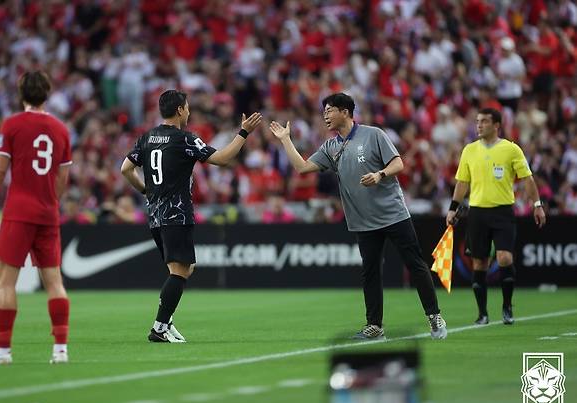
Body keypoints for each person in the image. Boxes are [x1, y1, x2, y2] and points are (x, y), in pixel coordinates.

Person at [270, 92, 447, 340]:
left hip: (394, 214)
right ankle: (374, 325)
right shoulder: (331, 146)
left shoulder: (373, 134)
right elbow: (302, 167)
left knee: (415, 265)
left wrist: (379, 175)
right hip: (363, 221)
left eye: (330, 110)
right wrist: (286, 140)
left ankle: (434, 315)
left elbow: (398, 164)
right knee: (370, 272)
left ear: (345, 112)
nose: (325, 116)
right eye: (324, 112)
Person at [120, 90, 262, 343]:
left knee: (184, 268)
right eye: (186, 107)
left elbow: (126, 169)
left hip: (155, 215)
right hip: (176, 214)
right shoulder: (184, 139)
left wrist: (144, 189)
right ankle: (160, 327)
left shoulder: (147, 137)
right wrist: (243, 133)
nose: (188, 111)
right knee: (180, 271)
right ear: (179, 111)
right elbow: (221, 159)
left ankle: (167, 322)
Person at [0, 71, 72, 365]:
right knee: (54, 282)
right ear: (48, 93)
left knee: (5, 283)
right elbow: (63, 176)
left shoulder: (12, 125)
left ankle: (2, 351)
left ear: (21, 94)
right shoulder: (61, 129)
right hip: (47, 212)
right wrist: (51, 201)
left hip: (18, 212)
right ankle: (60, 351)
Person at [447, 108, 546, 325]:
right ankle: (482, 314)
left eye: (484, 121)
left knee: (504, 258)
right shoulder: (469, 151)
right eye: (477, 121)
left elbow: (527, 179)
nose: (479, 125)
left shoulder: (511, 150)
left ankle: (507, 306)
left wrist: (537, 205)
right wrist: (453, 207)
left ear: (497, 125)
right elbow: (463, 182)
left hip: (502, 211)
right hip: (477, 212)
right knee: (479, 263)